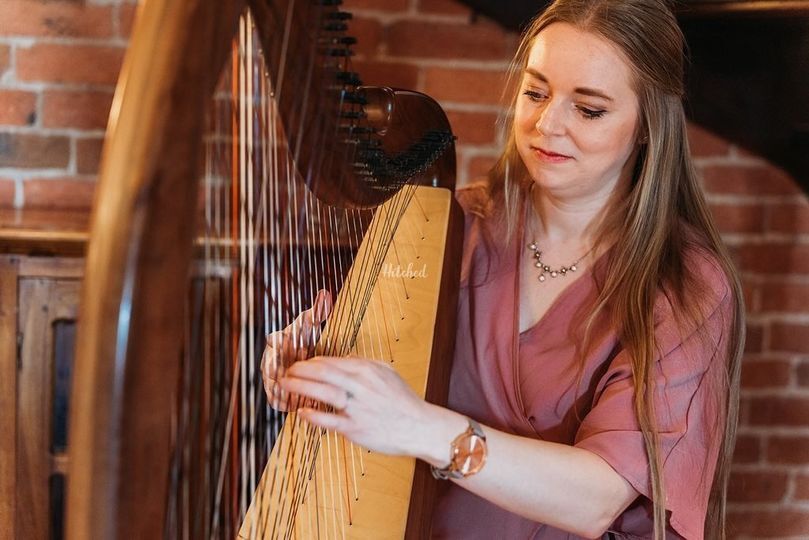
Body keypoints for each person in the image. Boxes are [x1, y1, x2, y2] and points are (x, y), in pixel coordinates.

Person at [261, 0, 745, 538]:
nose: (547, 124)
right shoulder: (451, 226)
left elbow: (599, 498)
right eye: (535, 93)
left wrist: (419, 426)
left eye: (589, 110)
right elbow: (375, 405)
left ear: (647, 128)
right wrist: (316, 372)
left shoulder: (685, 283)